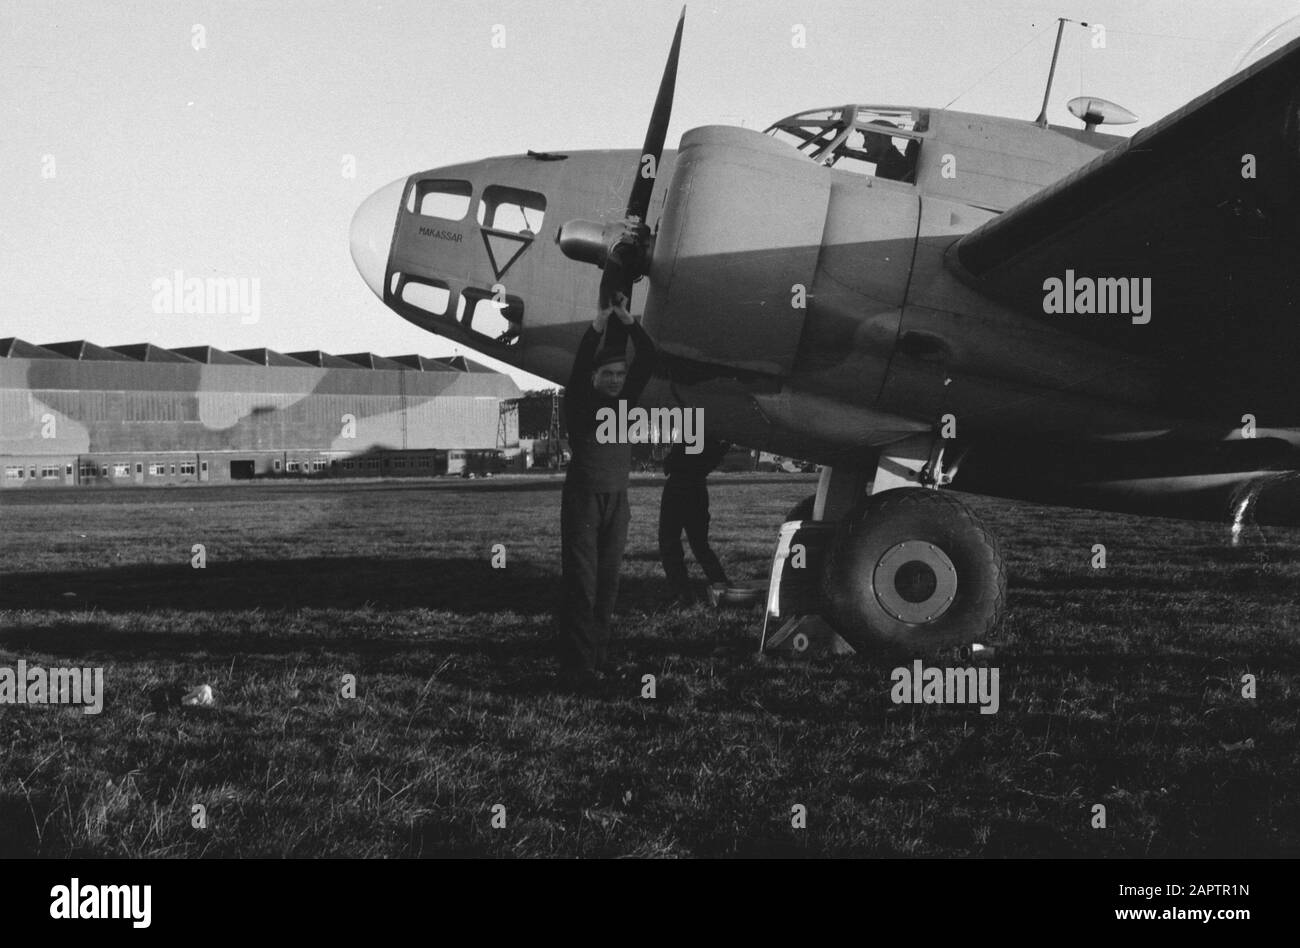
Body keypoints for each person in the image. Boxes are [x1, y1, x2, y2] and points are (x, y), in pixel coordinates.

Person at [556, 292, 655, 684]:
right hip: (584, 500)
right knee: (582, 584)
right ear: (594, 377)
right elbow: (580, 363)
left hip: (618, 501)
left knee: (608, 584)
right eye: (607, 374)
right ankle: (576, 668)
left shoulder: (627, 402)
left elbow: (647, 357)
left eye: (619, 374)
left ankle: (596, 660)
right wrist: (598, 324)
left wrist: (628, 320)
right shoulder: (579, 402)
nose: (615, 380)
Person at [659, 438, 730, 600]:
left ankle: (681, 590)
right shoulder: (714, 438)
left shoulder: (693, 426)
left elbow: (672, 462)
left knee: (669, 542)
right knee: (700, 545)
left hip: (678, 484)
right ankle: (720, 584)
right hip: (697, 486)